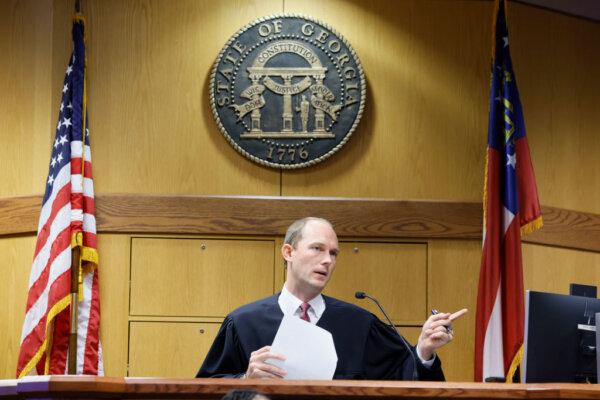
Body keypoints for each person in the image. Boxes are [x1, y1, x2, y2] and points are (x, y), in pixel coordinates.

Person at [197, 217, 459, 380]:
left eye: (334, 253)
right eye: (317, 249)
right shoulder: (243, 322)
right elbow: (203, 390)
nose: (327, 260)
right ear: (288, 252)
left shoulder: (359, 323)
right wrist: (246, 380)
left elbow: (402, 375)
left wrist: (424, 349)